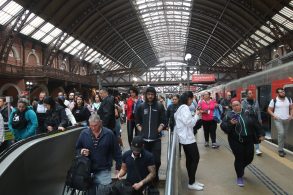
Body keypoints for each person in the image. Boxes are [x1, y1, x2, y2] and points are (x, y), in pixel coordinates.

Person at [221, 100, 265, 187]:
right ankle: (239, 176)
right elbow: (223, 127)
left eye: (237, 105)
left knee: (250, 157)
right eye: (234, 106)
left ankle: (241, 167)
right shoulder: (229, 115)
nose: (236, 107)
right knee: (239, 158)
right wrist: (230, 123)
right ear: (232, 107)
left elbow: (256, 124)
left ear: (240, 105)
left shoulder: (248, 113)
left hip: (248, 139)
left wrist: (261, 134)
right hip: (235, 140)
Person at [76, 113, 122, 194]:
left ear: (100, 122)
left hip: (104, 169)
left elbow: (117, 151)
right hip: (88, 170)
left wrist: (118, 167)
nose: (93, 128)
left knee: (104, 192)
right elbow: (77, 148)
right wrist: (82, 151)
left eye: (95, 125)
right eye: (91, 125)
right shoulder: (84, 133)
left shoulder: (109, 134)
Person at [174, 91, 204, 191]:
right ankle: (191, 182)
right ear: (188, 98)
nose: (192, 101)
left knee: (190, 159)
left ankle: (192, 180)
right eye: (191, 99)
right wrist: (196, 115)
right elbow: (189, 123)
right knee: (195, 158)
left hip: (184, 137)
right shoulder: (185, 108)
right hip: (188, 138)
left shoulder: (180, 108)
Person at [135, 86, 166, 183]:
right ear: (145, 95)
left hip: (156, 139)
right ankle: (146, 178)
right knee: (144, 160)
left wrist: (158, 130)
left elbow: (164, 121)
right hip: (144, 140)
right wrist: (141, 131)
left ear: (155, 95)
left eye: (152, 94)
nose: (150, 96)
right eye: (148, 94)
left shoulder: (159, 106)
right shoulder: (140, 106)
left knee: (156, 160)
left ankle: (155, 176)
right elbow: (137, 121)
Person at [267, 88, 293, 157]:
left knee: (284, 135)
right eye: (281, 92)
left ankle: (281, 147)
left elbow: (291, 108)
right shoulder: (274, 100)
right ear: (277, 94)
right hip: (278, 119)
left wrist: (291, 115)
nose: (283, 93)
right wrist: (274, 115)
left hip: (286, 120)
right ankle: (280, 150)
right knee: (281, 133)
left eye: (283, 92)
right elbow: (269, 110)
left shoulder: (289, 99)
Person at [241, 90, 263, 156]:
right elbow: (243, 111)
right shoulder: (243, 102)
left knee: (256, 134)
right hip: (247, 119)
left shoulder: (256, 101)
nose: (251, 94)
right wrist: (248, 109)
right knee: (249, 134)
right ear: (247, 95)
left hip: (255, 119)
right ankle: (248, 147)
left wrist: (260, 119)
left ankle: (257, 149)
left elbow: (258, 110)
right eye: (250, 93)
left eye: (252, 93)